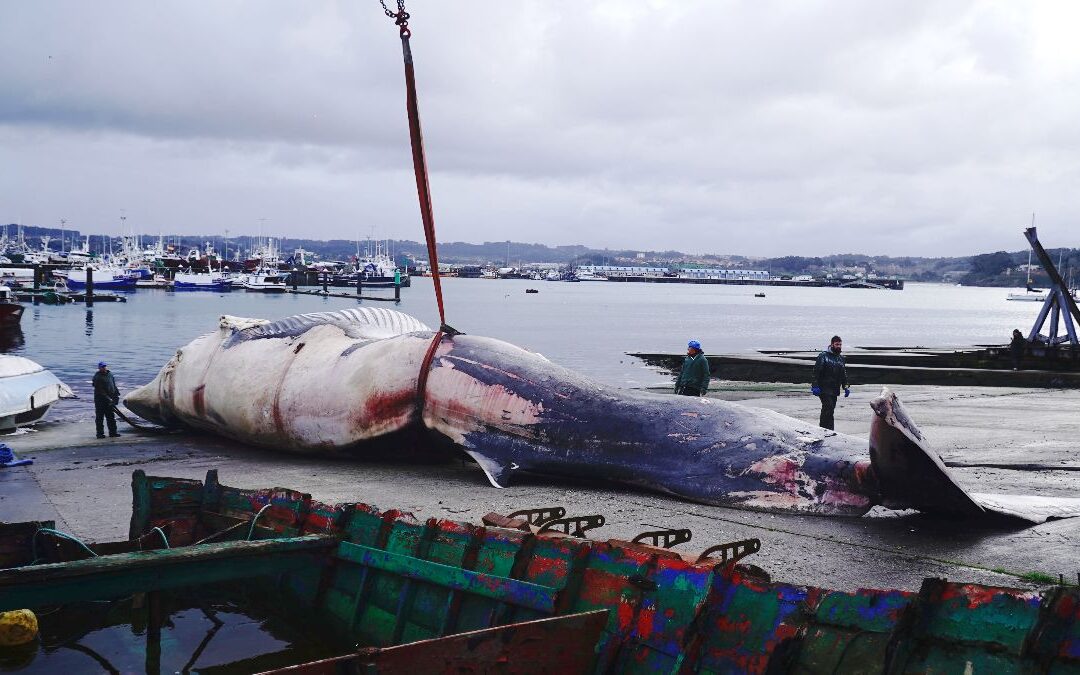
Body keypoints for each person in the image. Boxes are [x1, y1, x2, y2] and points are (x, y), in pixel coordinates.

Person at [811, 336, 849, 430]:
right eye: (836, 344)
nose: (838, 346)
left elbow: (843, 374)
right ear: (832, 344)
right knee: (828, 407)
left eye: (840, 344)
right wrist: (815, 385)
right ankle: (823, 429)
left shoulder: (841, 358)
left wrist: (846, 386)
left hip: (834, 389)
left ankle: (830, 430)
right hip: (823, 388)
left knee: (831, 409)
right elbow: (816, 372)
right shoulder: (823, 356)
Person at [92, 361, 121, 438]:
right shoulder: (97, 377)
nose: (104, 368)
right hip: (100, 400)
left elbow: (113, 385)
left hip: (110, 399)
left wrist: (117, 394)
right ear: (99, 368)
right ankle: (100, 434)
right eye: (102, 367)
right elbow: (100, 391)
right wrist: (108, 399)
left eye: (105, 366)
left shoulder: (110, 374)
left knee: (111, 417)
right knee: (100, 418)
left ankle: (113, 432)